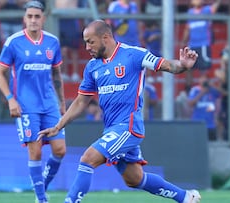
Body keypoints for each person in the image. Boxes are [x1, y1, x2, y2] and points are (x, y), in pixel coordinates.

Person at [38, 20, 201, 203]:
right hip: (112, 129)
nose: (87, 47)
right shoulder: (93, 67)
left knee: (87, 159)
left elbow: (166, 65)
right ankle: (186, 197)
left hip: (129, 127)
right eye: (85, 42)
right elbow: (81, 102)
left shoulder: (134, 54)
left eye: (90, 41)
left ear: (105, 37)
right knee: (135, 179)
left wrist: (183, 65)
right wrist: (58, 125)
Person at [0, 1, 66, 203]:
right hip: (26, 106)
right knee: (35, 151)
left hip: (50, 104)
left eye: (37, 16)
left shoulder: (52, 42)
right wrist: (10, 100)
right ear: (24, 19)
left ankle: (41, 186)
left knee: (60, 150)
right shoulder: (13, 42)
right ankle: (41, 199)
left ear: (43, 18)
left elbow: (57, 74)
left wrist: (62, 102)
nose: (33, 20)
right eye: (30, 16)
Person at [182, 0, 222, 86]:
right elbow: (187, 28)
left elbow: (215, 6)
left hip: (204, 45)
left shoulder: (207, 10)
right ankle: (189, 89)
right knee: (188, 68)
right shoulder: (190, 12)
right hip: (192, 45)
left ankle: (203, 89)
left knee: (203, 69)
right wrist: (184, 41)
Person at [187, 74, 221, 141]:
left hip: (210, 124)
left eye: (205, 79)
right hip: (197, 124)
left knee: (212, 146)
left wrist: (213, 86)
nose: (204, 81)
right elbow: (190, 103)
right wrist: (202, 93)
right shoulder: (195, 90)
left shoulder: (213, 91)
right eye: (202, 79)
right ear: (199, 80)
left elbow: (223, 93)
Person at [55, 0, 82, 82]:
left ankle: (75, 73)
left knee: (74, 48)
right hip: (59, 19)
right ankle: (64, 72)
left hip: (72, 19)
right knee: (63, 48)